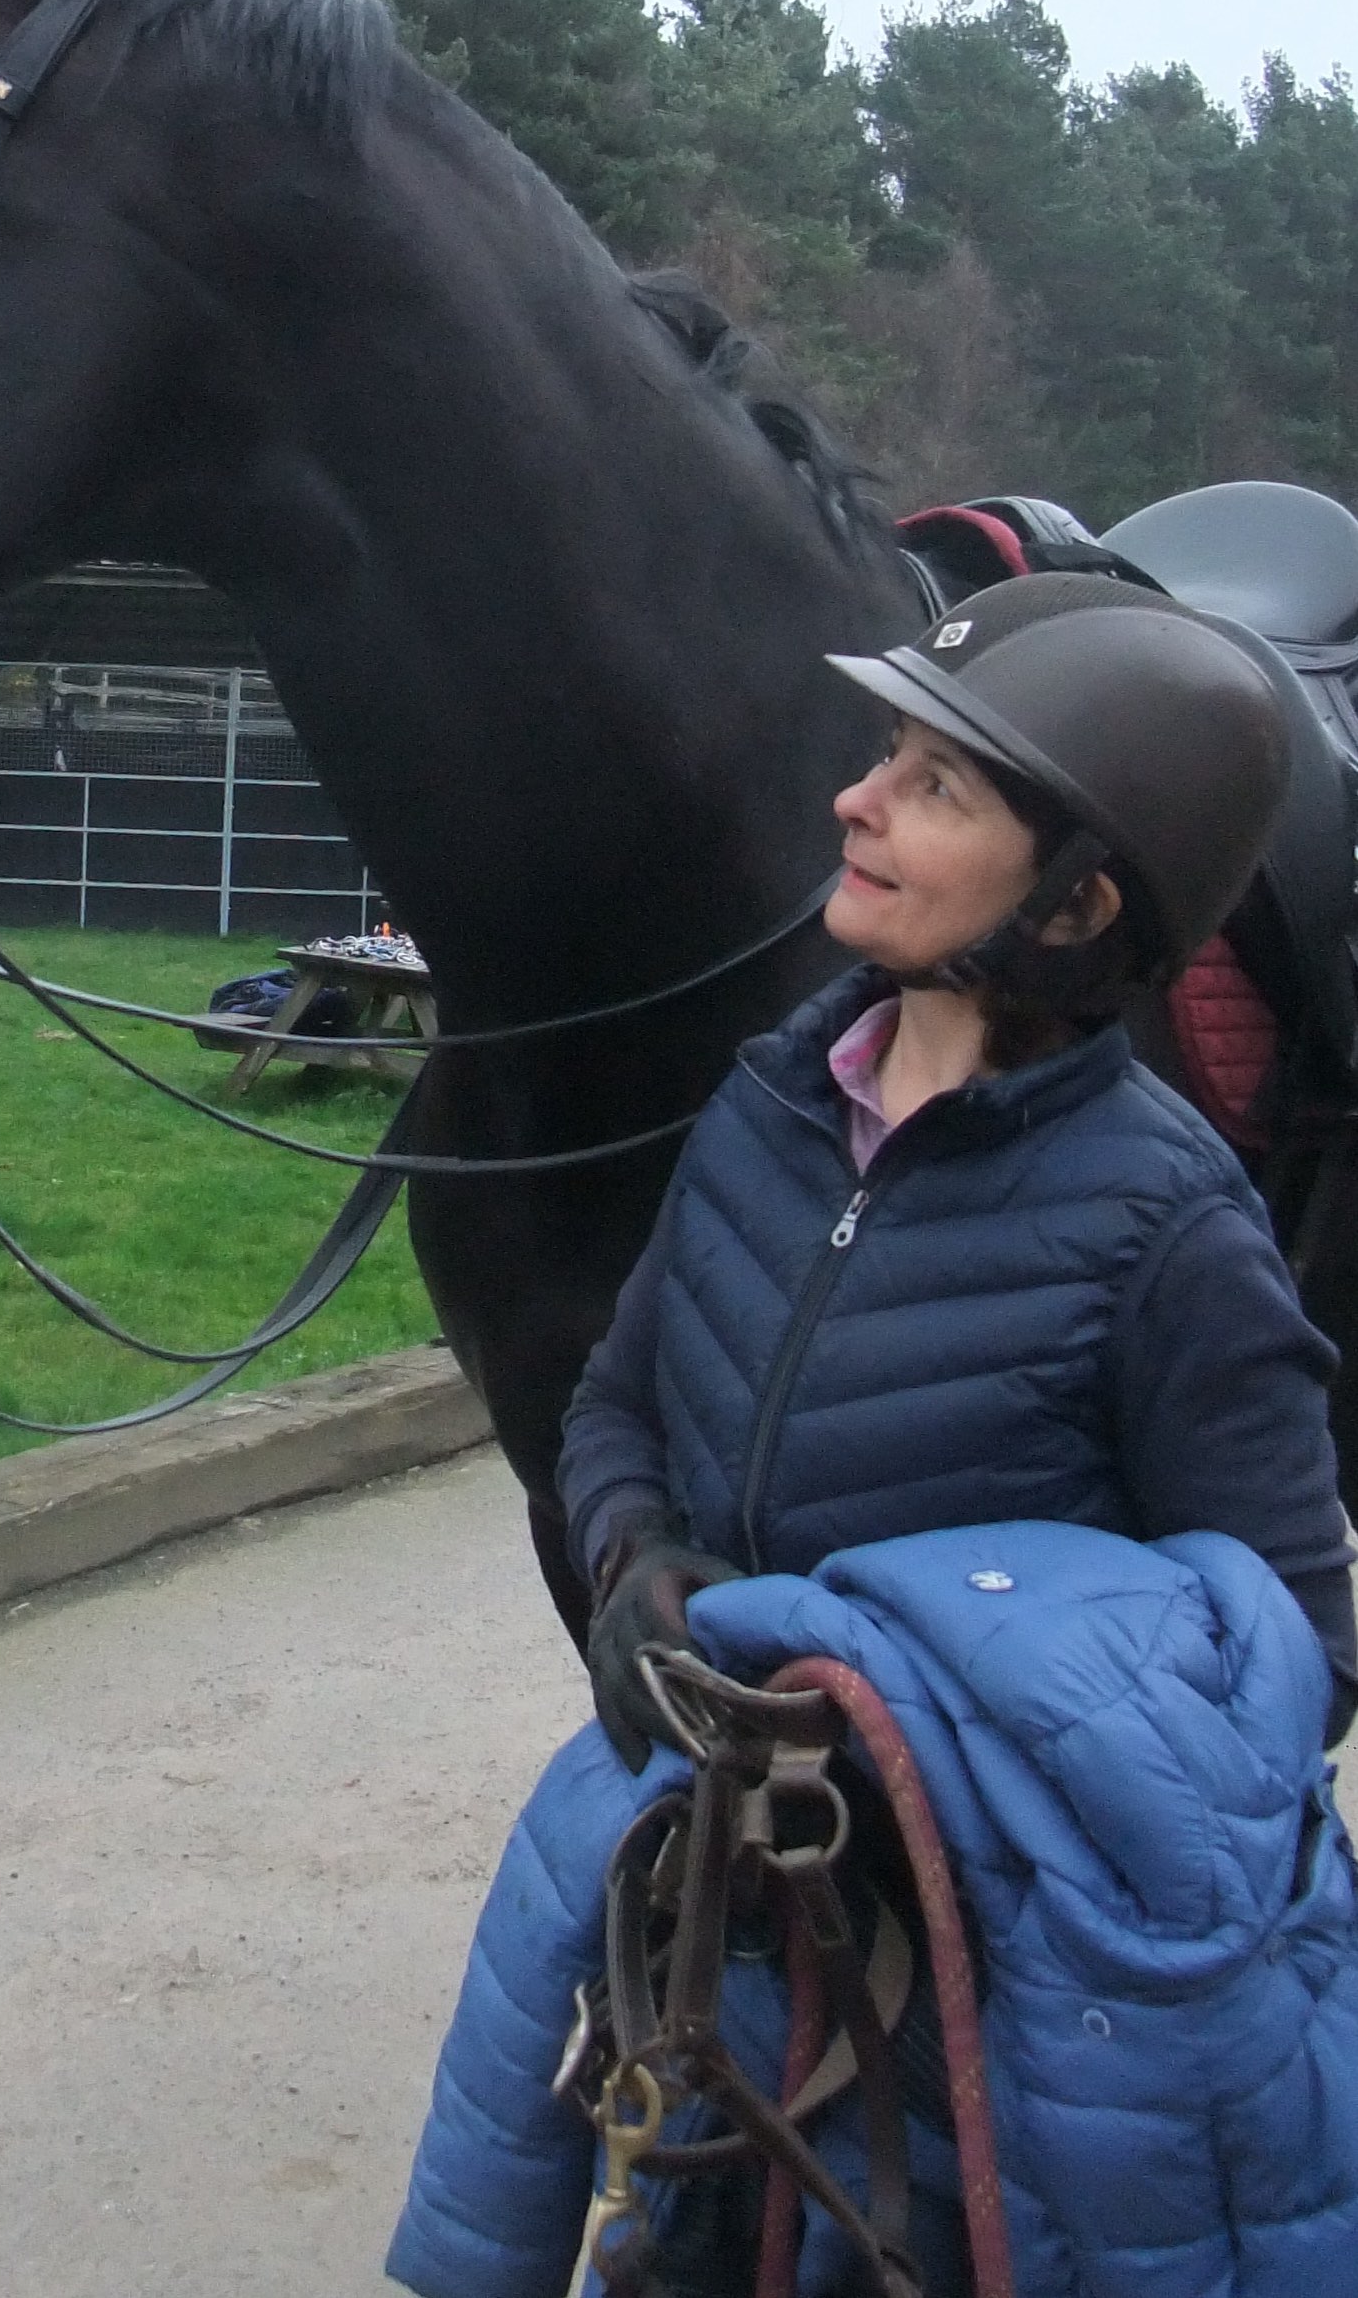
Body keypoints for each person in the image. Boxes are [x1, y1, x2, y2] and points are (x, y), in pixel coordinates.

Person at [560, 570, 1358, 1771]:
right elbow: (616, 1403)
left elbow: (1300, 1657)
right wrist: (632, 1549)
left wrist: (943, 1723)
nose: (855, 800)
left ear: (1072, 907)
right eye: (888, 753)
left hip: (988, 1885)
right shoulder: (768, 1106)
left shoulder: (1172, 1235)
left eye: (935, 786)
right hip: (737, 1835)